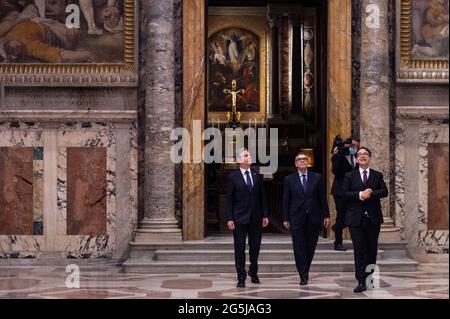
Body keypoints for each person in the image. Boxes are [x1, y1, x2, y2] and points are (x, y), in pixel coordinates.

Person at [342, 147, 388, 293]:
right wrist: (360, 194)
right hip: (355, 219)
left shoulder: (377, 175)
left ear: (370, 158)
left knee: (372, 250)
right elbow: (344, 194)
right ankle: (361, 280)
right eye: (360, 154)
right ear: (356, 158)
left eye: (365, 154)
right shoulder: (350, 176)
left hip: (373, 219)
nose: (362, 156)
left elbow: (385, 191)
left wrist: (371, 193)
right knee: (359, 250)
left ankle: (369, 277)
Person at [282, 152, 330, 285]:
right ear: (296, 163)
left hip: (313, 217)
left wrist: (326, 214)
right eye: (300, 159)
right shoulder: (289, 179)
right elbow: (286, 200)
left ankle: (305, 269)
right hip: (296, 217)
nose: (302, 161)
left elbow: (322, 197)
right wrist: (285, 218)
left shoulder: (317, 177)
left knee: (311, 246)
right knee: (298, 247)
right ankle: (303, 274)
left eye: (305, 159)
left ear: (307, 162)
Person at [226, 148, 269, 288]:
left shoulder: (257, 174)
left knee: (255, 247)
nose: (249, 157)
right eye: (246, 155)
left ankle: (254, 272)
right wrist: (229, 218)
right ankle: (241, 277)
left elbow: (263, 196)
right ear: (239, 160)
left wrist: (265, 214)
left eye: (249, 155)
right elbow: (229, 200)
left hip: (256, 217)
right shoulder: (233, 177)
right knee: (239, 248)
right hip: (239, 218)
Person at [330, 136, 360, 251]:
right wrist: (337, 155)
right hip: (340, 191)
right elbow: (335, 171)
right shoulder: (340, 156)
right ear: (347, 145)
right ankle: (338, 242)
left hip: (353, 192)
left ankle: (337, 227)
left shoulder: (358, 157)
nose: (354, 148)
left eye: (356, 146)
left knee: (354, 215)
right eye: (352, 146)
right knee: (341, 215)